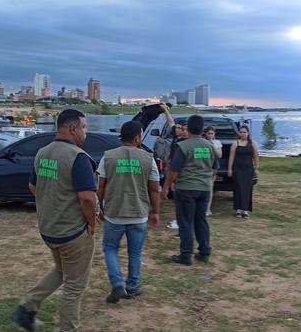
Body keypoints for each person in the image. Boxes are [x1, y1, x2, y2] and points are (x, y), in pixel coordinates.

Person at [13, 109, 98, 332]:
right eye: (84, 127)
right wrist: (92, 223)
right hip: (73, 233)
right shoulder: (77, 157)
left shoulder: (43, 153)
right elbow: (87, 198)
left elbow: (33, 186)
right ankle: (69, 328)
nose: (85, 132)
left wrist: (52, 201)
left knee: (61, 271)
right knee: (74, 285)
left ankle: (27, 306)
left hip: (49, 229)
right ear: (72, 129)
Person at [97, 120, 161, 303]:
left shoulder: (108, 157)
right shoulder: (148, 158)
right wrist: (155, 212)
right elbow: (154, 189)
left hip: (114, 213)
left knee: (110, 248)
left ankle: (117, 284)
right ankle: (132, 286)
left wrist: (98, 207)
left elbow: (100, 186)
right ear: (137, 138)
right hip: (138, 213)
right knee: (135, 252)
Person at [162, 115, 216, 266]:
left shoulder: (184, 146)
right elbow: (214, 167)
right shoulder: (209, 146)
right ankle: (204, 252)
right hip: (204, 188)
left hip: (186, 188)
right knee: (201, 220)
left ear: (189, 128)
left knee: (185, 222)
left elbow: (174, 171)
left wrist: (165, 188)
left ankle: (186, 255)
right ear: (202, 129)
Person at [228, 126, 259, 219]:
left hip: (248, 169)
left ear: (248, 133)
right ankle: (238, 209)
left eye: (244, 132)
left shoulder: (253, 144)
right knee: (238, 188)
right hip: (237, 169)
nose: (242, 134)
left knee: (247, 189)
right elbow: (231, 157)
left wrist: (256, 168)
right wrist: (230, 169)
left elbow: (256, 156)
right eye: (241, 132)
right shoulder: (235, 144)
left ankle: (245, 210)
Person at [203, 126, 223, 215]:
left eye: (212, 133)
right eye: (209, 133)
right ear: (206, 134)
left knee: (210, 187)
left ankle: (208, 209)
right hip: (203, 166)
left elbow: (219, 155)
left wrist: (212, 145)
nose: (210, 135)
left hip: (213, 167)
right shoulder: (202, 142)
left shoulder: (217, 142)